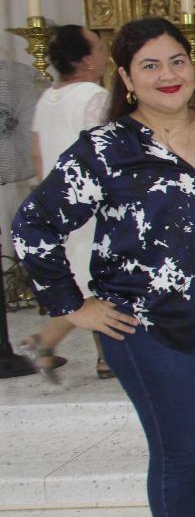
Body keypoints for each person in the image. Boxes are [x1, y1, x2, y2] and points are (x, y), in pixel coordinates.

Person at [13, 18, 195, 517]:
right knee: (179, 451)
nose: (167, 75)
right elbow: (33, 226)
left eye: (177, 61)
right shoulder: (106, 149)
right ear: (125, 77)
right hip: (148, 329)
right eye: (150, 65)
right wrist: (74, 306)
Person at [21, 24, 110, 381]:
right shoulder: (94, 96)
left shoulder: (49, 97)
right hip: (92, 203)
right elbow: (103, 148)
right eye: (99, 48)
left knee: (85, 279)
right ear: (86, 59)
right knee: (97, 279)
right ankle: (46, 342)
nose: (104, 54)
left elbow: (36, 151)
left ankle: (99, 356)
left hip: (59, 201)